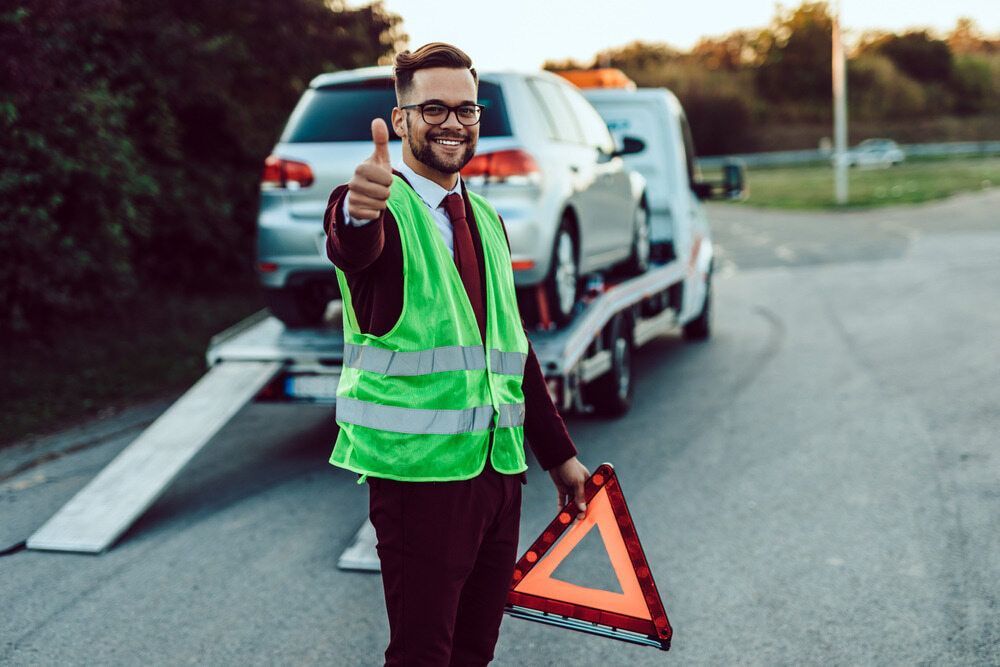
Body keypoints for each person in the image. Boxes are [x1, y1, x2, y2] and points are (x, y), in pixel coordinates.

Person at [324, 42, 590, 666]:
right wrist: (359, 212)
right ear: (401, 119)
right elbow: (353, 242)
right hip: (422, 480)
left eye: (466, 109)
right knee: (423, 655)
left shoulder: (488, 220)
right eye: (434, 108)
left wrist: (559, 456)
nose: (452, 123)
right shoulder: (380, 205)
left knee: (474, 652)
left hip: (498, 473)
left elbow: (512, 349)